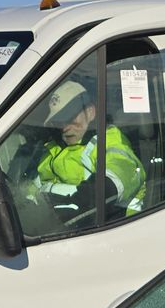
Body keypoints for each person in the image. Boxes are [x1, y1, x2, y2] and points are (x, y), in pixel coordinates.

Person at [29, 80, 146, 220]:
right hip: (55, 228)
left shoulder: (108, 140)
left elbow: (119, 172)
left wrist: (79, 203)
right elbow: (33, 187)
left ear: (90, 112)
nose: (64, 127)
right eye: (59, 120)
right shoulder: (53, 148)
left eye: (70, 117)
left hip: (112, 229)